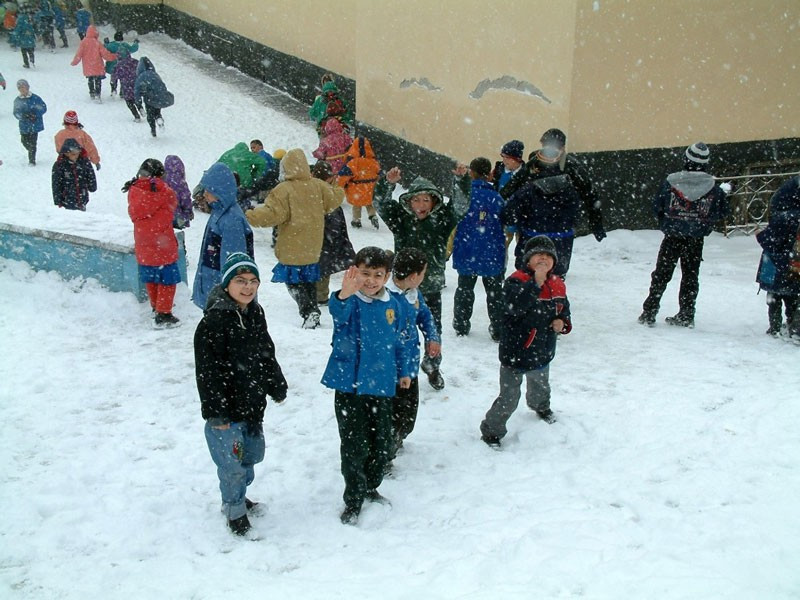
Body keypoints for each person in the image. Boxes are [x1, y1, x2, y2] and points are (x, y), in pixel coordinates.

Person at [194, 252, 287, 536]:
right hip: (226, 411)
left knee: (250, 458)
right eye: (240, 281)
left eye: (253, 282)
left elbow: (265, 353)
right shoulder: (213, 323)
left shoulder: (255, 313)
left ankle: (238, 494)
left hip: (252, 405)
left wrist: (276, 384)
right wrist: (216, 412)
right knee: (232, 464)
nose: (248, 287)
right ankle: (234, 510)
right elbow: (207, 372)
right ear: (227, 284)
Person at [321, 247, 412, 525]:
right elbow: (338, 312)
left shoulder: (393, 304)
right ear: (354, 273)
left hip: (382, 386)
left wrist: (405, 370)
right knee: (354, 445)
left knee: (383, 443)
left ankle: (371, 485)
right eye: (365, 274)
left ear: (386, 276)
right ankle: (354, 499)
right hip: (351, 387)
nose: (370, 280)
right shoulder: (350, 301)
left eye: (377, 275)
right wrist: (344, 293)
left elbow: (402, 339)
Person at [374, 167, 470, 390]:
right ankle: (396, 368)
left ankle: (432, 366)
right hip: (401, 288)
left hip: (431, 287)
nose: (420, 205)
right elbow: (381, 204)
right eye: (416, 200)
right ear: (408, 202)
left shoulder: (443, 219)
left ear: (434, 201)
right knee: (397, 331)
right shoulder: (400, 218)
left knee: (433, 329)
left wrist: (460, 180)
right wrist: (387, 184)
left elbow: (460, 205)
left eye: (426, 200)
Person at [480, 236, 572, 447]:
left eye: (548, 256)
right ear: (528, 259)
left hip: (543, 349)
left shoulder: (557, 284)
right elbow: (515, 309)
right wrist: (535, 284)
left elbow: (564, 308)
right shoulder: (516, 281)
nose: (544, 259)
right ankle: (491, 430)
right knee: (509, 397)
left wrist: (562, 321)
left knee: (541, 384)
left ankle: (541, 406)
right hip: (516, 351)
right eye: (539, 255)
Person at [245, 149, 343, 329]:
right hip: (313, 244)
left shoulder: (284, 190)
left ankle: (307, 310)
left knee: (293, 281)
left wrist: (250, 215)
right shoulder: (318, 186)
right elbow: (334, 199)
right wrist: (337, 185)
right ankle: (312, 308)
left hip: (292, 243)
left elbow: (272, 214)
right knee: (309, 280)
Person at [638, 142, 730, 328]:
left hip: (672, 235)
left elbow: (657, 206)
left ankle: (650, 311)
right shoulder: (713, 187)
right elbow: (722, 212)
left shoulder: (671, 182)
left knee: (662, 274)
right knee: (690, 275)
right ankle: (687, 313)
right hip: (696, 239)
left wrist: (668, 221)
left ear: (686, 159)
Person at [385, 247, 440, 464]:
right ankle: (384, 454)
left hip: (410, 367)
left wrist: (432, 336)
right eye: (424, 273)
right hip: (392, 372)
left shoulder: (413, 294)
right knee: (392, 414)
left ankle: (399, 436)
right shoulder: (387, 299)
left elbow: (425, 315)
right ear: (413, 276)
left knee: (408, 414)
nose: (424, 277)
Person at [502, 147, 581, 277]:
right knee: (554, 289)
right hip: (560, 250)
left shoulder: (528, 190)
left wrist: (521, 220)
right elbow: (576, 215)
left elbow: (508, 214)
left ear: (537, 166)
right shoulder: (570, 190)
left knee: (529, 289)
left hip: (531, 247)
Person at [452, 157, 507, 341]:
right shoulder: (497, 198)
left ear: (471, 172)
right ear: (489, 174)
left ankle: (461, 325)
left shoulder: (465, 196)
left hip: (467, 250)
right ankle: (498, 328)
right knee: (495, 293)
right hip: (491, 252)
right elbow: (505, 223)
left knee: (464, 289)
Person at [124, 158, 181, 327]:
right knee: (167, 279)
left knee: (151, 277)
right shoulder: (164, 192)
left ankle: (156, 306)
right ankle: (164, 314)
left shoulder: (134, 190)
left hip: (143, 242)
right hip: (162, 243)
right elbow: (172, 204)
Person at [192, 162, 254, 310]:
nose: (204, 194)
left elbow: (235, 266)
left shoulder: (231, 220)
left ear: (220, 191)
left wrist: (231, 299)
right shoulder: (219, 212)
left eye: (209, 190)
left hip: (223, 297)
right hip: (214, 290)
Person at [538, 128, 607, 242]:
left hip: (562, 224)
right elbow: (518, 187)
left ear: (562, 148)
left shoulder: (571, 166)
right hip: (537, 224)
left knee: (558, 257)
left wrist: (596, 224)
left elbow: (589, 193)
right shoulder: (536, 163)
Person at [755, 175, 800, 338]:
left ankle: (774, 326)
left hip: (774, 268)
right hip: (793, 268)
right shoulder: (796, 218)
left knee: (774, 299)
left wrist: (760, 235)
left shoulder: (782, 218)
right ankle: (792, 323)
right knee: (792, 298)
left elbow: (770, 241)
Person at [311, 161, 355, 305]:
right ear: (330, 177)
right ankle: (321, 296)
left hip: (312, 238)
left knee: (314, 265)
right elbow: (337, 220)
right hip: (328, 237)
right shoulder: (331, 193)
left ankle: (312, 294)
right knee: (324, 267)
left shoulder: (308, 190)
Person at [337, 135, 381, 229]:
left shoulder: (353, 163)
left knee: (357, 205)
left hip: (356, 188)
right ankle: (373, 215)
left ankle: (356, 220)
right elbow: (379, 173)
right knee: (369, 203)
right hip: (370, 188)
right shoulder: (373, 162)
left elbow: (343, 176)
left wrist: (339, 186)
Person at [70, 25, 117, 101]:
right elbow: (105, 54)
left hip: (88, 66)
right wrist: (114, 56)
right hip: (97, 66)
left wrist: (74, 62)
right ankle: (98, 95)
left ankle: (92, 93)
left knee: (90, 80)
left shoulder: (83, 42)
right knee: (98, 81)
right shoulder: (97, 43)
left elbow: (79, 54)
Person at [134, 57, 175, 137]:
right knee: (157, 111)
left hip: (149, 98)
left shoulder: (141, 77)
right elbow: (162, 86)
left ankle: (153, 130)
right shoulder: (155, 74)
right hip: (159, 97)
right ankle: (159, 118)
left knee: (150, 115)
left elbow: (137, 91)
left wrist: (139, 104)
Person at [51, 138, 96, 211]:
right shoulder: (59, 165)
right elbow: (56, 184)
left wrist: (92, 186)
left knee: (81, 214)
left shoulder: (84, 162)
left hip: (82, 196)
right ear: (66, 153)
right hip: (67, 198)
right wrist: (58, 201)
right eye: (73, 154)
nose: (76, 156)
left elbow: (91, 175)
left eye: (77, 153)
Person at [13, 79, 47, 166]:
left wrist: (35, 114)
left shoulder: (35, 98)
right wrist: (23, 116)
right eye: (20, 88)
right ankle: (30, 150)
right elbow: (16, 113)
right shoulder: (17, 100)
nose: (22, 89)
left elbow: (43, 108)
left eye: (23, 87)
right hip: (24, 126)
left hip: (34, 125)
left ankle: (32, 160)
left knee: (32, 143)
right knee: (24, 141)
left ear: (28, 87)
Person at [111, 45, 141, 121]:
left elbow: (114, 77)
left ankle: (136, 116)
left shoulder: (118, 66)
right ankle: (140, 108)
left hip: (126, 86)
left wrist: (113, 87)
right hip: (135, 84)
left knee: (129, 101)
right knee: (136, 98)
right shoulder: (135, 62)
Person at [103, 31, 138, 96]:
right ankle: (122, 92)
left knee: (113, 78)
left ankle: (113, 89)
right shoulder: (125, 45)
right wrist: (136, 43)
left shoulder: (111, 45)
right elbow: (133, 49)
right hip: (124, 66)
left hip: (112, 66)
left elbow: (104, 49)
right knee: (123, 79)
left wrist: (106, 43)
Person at [164, 155, 194, 229]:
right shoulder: (180, 182)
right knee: (177, 236)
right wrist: (189, 212)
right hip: (177, 216)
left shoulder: (162, 180)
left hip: (164, 216)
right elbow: (185, 199)